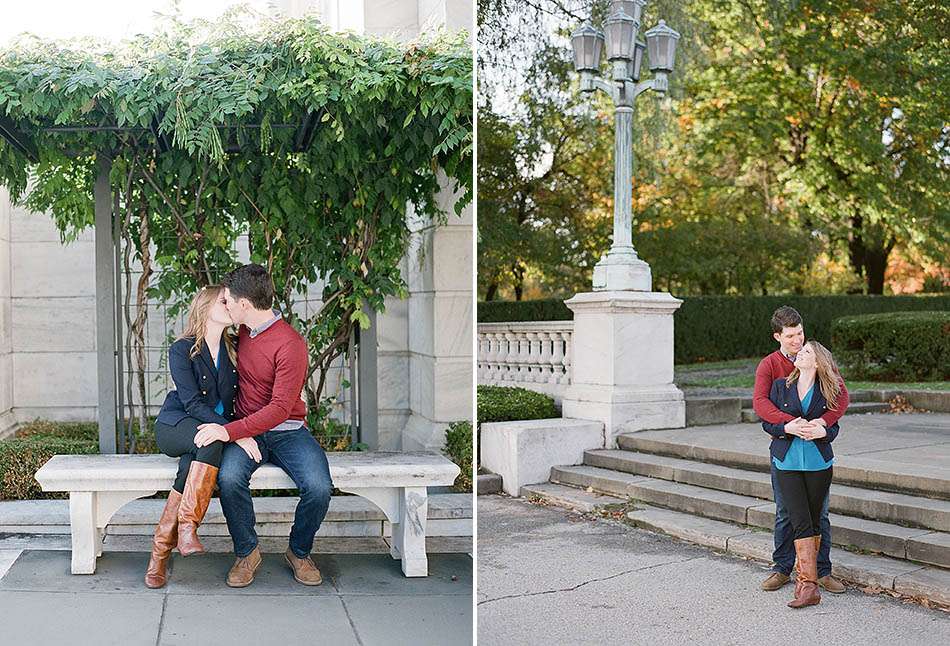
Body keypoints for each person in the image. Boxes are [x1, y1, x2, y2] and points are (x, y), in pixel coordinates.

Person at [192, 263, 334, 588]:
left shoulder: (290, 344)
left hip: (288, 432)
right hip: (247, 434)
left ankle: (299, 551)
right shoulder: (241, 332)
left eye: (228, 300)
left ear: (244, 305)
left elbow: (280, 409)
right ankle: (247, 552)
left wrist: (228, 431)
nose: (225, 305)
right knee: (228, 479)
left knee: (319, 487)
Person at [145, 284, 238, 588]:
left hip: (207, 433)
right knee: (212, 439)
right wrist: (229, 431)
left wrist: (230, 428)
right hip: (176, 425)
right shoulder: (182, 349)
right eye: (225, 300)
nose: (231, 304)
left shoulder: (235, 347)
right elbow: (193, 404)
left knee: (192, 463)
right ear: (206, 306)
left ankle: (159, 553)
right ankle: (187, 528)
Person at [753, 306, 849, 596]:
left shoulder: (816, 357)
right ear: (777, 336)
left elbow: (841, 395)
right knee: (785, 511)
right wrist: (788, 424)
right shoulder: (770, 367)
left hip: (816, 454)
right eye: (791, 336)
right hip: (786, 451)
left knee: (820, 513)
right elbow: (761, 404)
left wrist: (824, 423)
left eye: (800, 334)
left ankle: (822, 572)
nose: (797, 341)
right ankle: (782, 568)